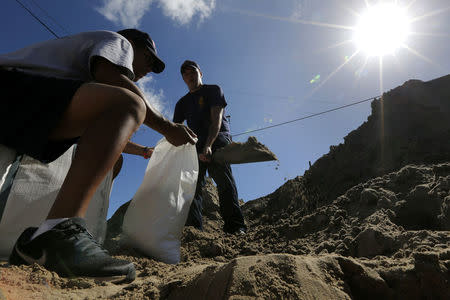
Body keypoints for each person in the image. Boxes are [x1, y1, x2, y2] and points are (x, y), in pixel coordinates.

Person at [0, 29, 197, 282]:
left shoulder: (73, 89)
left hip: (18, 105)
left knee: (117, 139)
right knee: (129, 103)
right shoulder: (118, 42)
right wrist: (167, 127)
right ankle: (58, 230)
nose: (149, 70)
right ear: (133, 45)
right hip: (10, 89)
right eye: (149, 60)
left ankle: (34, 247)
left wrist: (145, 151)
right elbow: (113, 82)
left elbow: (106, 136)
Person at [173, 60, 246, 234]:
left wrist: (208, 146)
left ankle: (235, 227)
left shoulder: (213, 90)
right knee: (191, 187)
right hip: (195, 145)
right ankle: (194, 231)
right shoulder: (182, 103)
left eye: (193, 72)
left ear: (200, 73)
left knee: (224, 181)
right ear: (183, 78)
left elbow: (216, 121)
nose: (190, 76)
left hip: (218, 139)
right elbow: (175, 128)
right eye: (185, 74)